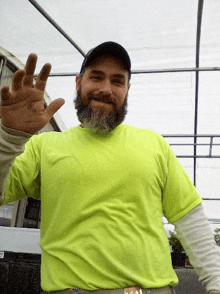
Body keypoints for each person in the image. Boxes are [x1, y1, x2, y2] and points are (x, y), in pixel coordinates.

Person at [0, 41, 219, 294]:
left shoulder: (153, 144)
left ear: (127, 89)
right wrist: (9, 138)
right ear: (78, 82)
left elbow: (191, 221)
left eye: (117, 81)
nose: (106, 89)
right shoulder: (44, 146)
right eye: (96, 77)